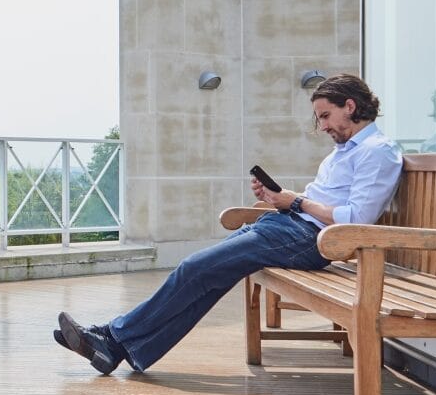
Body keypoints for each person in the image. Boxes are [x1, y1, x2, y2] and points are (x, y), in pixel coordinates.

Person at [53, 73, 405, 375]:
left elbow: (358, 219)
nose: (324, 126)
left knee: (195, 267)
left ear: (351, 106)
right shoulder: (344, 152)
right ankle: (124, 349)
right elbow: (325, 202)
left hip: (313, 238)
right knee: (209, 277)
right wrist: (276, 197)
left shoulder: (378, 150)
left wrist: (294, 201)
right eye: (320, 118)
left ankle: (112, 338)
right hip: (290, 225)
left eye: (326, 116)